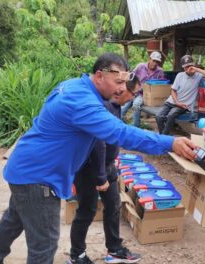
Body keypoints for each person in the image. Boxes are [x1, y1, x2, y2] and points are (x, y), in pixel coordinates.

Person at [0, 53, 197, 264]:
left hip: (26, 168)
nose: (122, 88)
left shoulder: (75, 86)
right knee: (44, 246)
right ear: (100, 75)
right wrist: (170, 142)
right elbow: (121, 133)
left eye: (125, 80)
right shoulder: (83, 103)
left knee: (12, 221)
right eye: (117, 80)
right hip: (39, 177)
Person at [69, 76, 142, 264]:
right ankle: (77, 255)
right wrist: (101, 176)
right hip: (90, 169)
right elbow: (98, 144)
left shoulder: (116, 107)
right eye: (134, 94)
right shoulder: (103, 106)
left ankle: (115, 249)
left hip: (108, 166)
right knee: (87, 210)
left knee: (113, 206)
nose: (133, 98)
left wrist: (111, 164)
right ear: (122, 89)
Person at [155, 55, 205, 135]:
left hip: (184, 105)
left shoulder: (198, 75)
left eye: (190, 66)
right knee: (159, 116)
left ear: (193, 65)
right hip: (173, 101)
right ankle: (163, 136)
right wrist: (176, 102)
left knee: (170, 115)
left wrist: (197, 69)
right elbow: (173, 90)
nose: (189, 68)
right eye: (186, 67)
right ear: (183, 68)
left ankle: (163, 137)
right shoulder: (180, 75)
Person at [121, 51, 165, 127]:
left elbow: (161, 86)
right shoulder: (140, 66)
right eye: (153, 61)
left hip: (145, 95)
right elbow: (131, 76)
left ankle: (136, 126)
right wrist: (130, 89)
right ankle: (125, 126)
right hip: (134, 91)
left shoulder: (160, 71)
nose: (155, 63)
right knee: (122, 109)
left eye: (157, 62)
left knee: (136, 104)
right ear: (149, 59)